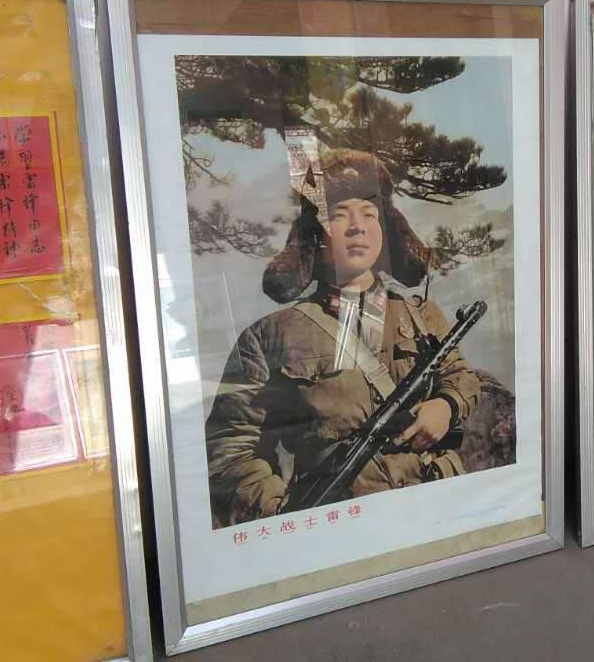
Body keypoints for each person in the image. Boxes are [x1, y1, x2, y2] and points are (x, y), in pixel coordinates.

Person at [204, 148, 481, 528]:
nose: (357, 227)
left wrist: (446, 406)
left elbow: (461, 375)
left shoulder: (421, 315)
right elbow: (230, 446)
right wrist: (282, 516)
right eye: (338, 215)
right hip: (343, 525)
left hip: (437, 510)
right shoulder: (269, 337)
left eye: (369, 213)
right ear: (314, 233)